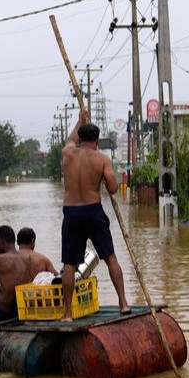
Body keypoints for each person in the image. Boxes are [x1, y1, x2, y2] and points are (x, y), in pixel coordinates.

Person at [60, 108, 130, 321]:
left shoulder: (67, 153)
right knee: (110, 257)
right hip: (92, 211)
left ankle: (68, 313)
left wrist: (79, 121)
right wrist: (103, 178)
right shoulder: (101, 159)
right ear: (97, 140)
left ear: (80, 137)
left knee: (69, 265)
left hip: (71, 212)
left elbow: (71, 139)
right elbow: (113, 188)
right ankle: (123, 303)